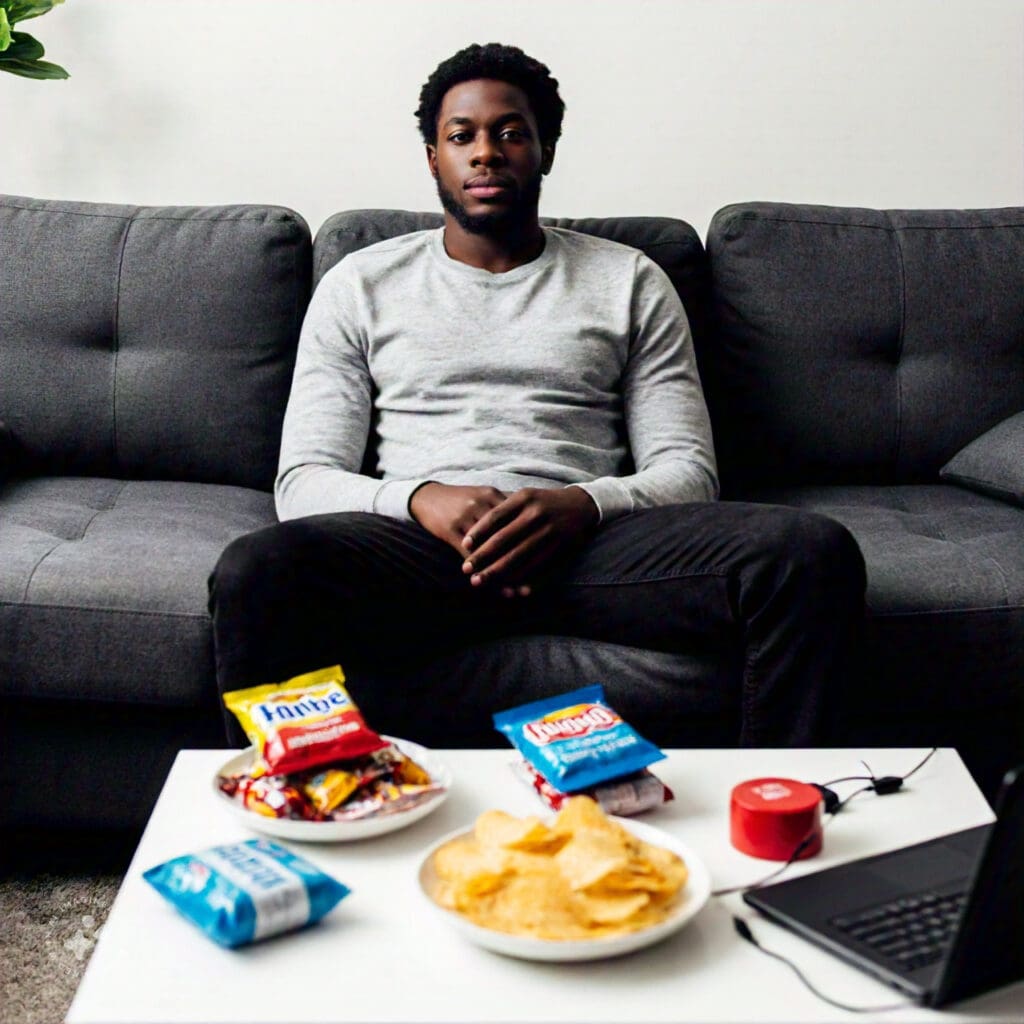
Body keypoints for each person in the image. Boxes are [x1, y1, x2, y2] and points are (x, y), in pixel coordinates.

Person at [208, 42, 866, 749]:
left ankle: (778, 811)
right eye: (461, 136)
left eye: (510, 132)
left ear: (545, 150)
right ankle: (293, 820)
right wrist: (422, 499)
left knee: (809, 552)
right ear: (434, 158)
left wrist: (582, 506)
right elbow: (303, 480)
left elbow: (688, 471)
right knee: (258, 571)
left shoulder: (631, 280)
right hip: (419, 555)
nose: (485, 152)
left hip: (593, 552)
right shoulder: (360, 284)